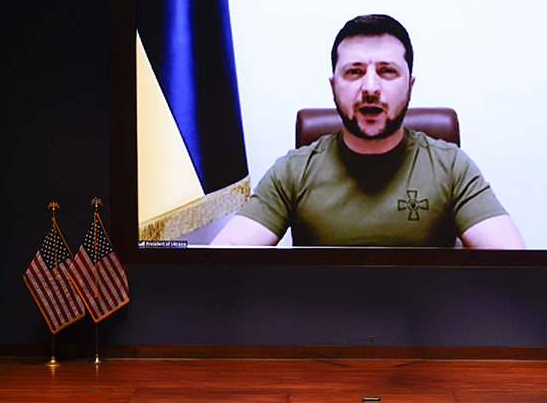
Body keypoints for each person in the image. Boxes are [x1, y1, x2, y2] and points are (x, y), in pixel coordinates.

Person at [211, 14, 524, 249]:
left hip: (425, 330)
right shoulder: (293, 171)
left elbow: (513, 265)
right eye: (354, 72)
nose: (370, 88)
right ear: (334, 85)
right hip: (321, 331)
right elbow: (224, 260)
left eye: (387, 71)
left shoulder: (451, 166)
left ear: (410, 86)